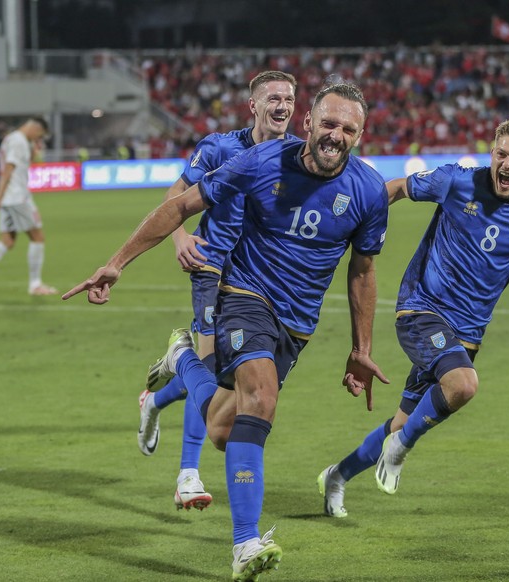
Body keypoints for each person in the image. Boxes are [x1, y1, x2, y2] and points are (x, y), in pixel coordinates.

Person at [63, 82, 390, 581]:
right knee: (260, 398)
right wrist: (116, 264)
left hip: (297, 324)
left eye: (348, 129)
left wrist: (360, 349)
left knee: (222, 429)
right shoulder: (259, 162)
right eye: (328, 124)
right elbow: (180, 205)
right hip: (243, 296)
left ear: (360, 135)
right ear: (308, 124)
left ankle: (182, 360)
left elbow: (362, 271)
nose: (335, 136)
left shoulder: (368, 190)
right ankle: (245, 544)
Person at [317, 118, 509, 518]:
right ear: (492, 153)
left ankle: (337, 476)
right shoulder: (456, 181)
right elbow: (396, 189)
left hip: (466, 333)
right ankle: (400, 449)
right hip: (421, 310)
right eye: (501, 154)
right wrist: (355, 219)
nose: (507, 163)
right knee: (463, 385)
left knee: (402, 422)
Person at [136, 70, 299, 515]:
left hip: (261, 282)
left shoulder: (295, 155)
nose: (281, 105)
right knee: (214, 372)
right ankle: (188, 474)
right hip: (213, 268)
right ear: (254, 106)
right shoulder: (221, 147)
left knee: (220, 382)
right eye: (272, 98)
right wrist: (180, 237)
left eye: (288, 97)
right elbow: (178, 191)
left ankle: (158, 392)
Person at [0, 117, 57, 297]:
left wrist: (34, 148)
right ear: (34, 127)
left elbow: (25, 164)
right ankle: (35, 284)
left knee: (7, 241)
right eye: (40, 134)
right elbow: (8, 168)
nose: (39, 137)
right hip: (17, 197)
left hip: (11, 197)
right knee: (38, 237)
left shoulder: (13, 139)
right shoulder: (18, 141)